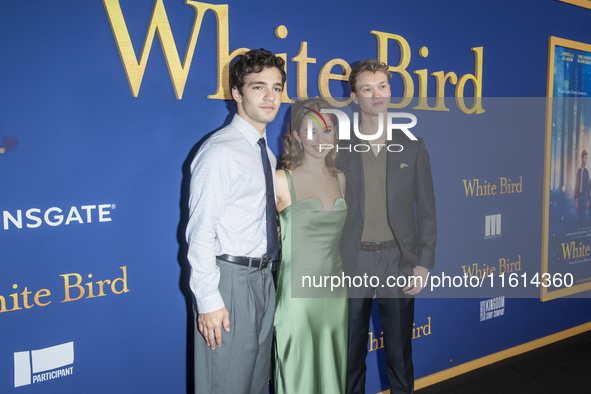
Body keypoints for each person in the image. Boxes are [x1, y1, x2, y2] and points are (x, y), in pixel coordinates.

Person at [186, 48, 285, 394]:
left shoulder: (265, 153)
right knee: (225, 386)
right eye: (258, 87)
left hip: (263, 279)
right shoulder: (220, 151)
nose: (270, 96)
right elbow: (200, 231)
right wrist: (208, 300)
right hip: (229, 283)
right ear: (237, 94)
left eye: (276, 87)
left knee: (256, 384)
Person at [336, 59, 437, 394]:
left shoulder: (413, 146)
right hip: (353, 263)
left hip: (398, 262)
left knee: (398, 353)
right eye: (367, 88)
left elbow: (427, 210)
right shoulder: (337, 150)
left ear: (390, 92)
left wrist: (423, 261)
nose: (376, 94)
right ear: (354, 96)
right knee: (349, 356)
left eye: (382, 86)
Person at [274, 98, 348, 394]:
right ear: (295, 135)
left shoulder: (341, 179)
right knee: (298, 372)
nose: (320, 139)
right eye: (311, 131)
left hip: (335, 292)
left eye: (327, 130)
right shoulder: (281, 180)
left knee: (333, 367)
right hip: (298, 297)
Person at [575, 149, 590, 225]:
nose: (586, 160)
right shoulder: (578, 172)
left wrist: (587, 202)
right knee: (579, 217)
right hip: (579, 198)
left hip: (584, 198)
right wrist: (576, 203)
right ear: (582, 158)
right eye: (585, 158)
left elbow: (588, 187)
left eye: (587, 158)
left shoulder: (587, 172)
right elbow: (576, 187)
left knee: (583, 218)